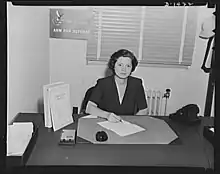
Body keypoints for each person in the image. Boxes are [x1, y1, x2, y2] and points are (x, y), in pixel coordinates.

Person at [86, 49, 148, 122]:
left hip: (127, 125)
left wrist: (131, 122)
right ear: (113, 65)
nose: (123, 69)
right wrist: (107, 115)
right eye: (120, 65)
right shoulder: (103, 83)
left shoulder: (137, 84)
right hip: (106, 122)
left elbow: (144, 110)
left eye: (128, 66)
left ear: (132, 68)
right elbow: (89, 108)